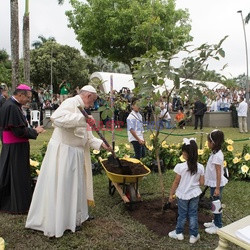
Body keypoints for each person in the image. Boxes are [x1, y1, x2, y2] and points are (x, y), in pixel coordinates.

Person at [26, 85, 111, 238]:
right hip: (64, 152)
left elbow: (87, 137)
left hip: (76, 154)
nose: (93, 104)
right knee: (64, 187)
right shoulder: (71, 102)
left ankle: (77, 217)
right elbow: (56, 118)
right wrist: (81, 118)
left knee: (77, 187)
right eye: (93, 101)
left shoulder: (84, 109)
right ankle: (62, 221)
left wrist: (101, 144)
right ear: (88, 96)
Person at [0, 84, 45, 214]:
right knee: (17, 175)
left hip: (12, 146)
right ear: (20, 95)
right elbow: (19, 131)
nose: (29, 101)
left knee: (9, 174)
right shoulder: (11, 107)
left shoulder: (11, 105)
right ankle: (19, 205)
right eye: (28, 98)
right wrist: (35, 131)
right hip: (15, 147)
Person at [168, 138, 204, 244]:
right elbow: (202, 183)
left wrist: (171, 194)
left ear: (186, 154)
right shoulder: (201, 167)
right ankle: (193, 235)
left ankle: (179, 233)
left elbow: (176, 182)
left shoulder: (181, 167)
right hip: (194, 194)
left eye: (183, 152)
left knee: (182, 214)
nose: (182, 154)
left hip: (182, 195)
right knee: (193, 214)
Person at [204, 130, 228, 234]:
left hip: (216, 184)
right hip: (214, 183)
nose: (207, 144)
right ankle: (215, 221)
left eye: (208, 142)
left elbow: (218, 173)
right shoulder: (215, 153)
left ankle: (218, 225)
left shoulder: (218, 156)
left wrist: (217, 188)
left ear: (213, 143)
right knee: (214, 203)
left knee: (216, 203)